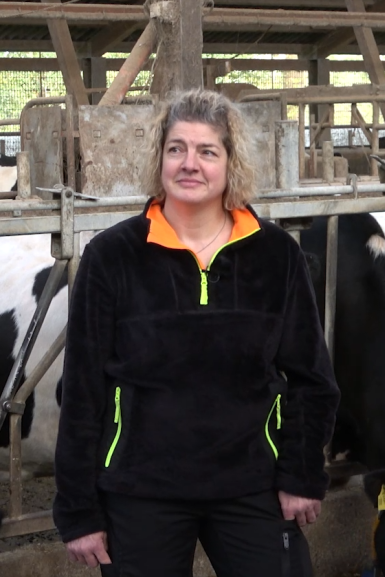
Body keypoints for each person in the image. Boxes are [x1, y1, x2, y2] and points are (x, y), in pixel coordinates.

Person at [53, 89, 340, 577]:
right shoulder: (113, 256)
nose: (190, 164)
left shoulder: (275, 255)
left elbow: (312, 380)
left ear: (231, 163)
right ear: (159, 159)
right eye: (176, 149)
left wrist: (301, 474)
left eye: (207, 151)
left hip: (252, 480)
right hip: (141, 489)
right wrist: (78, 510)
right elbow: (82, 389)